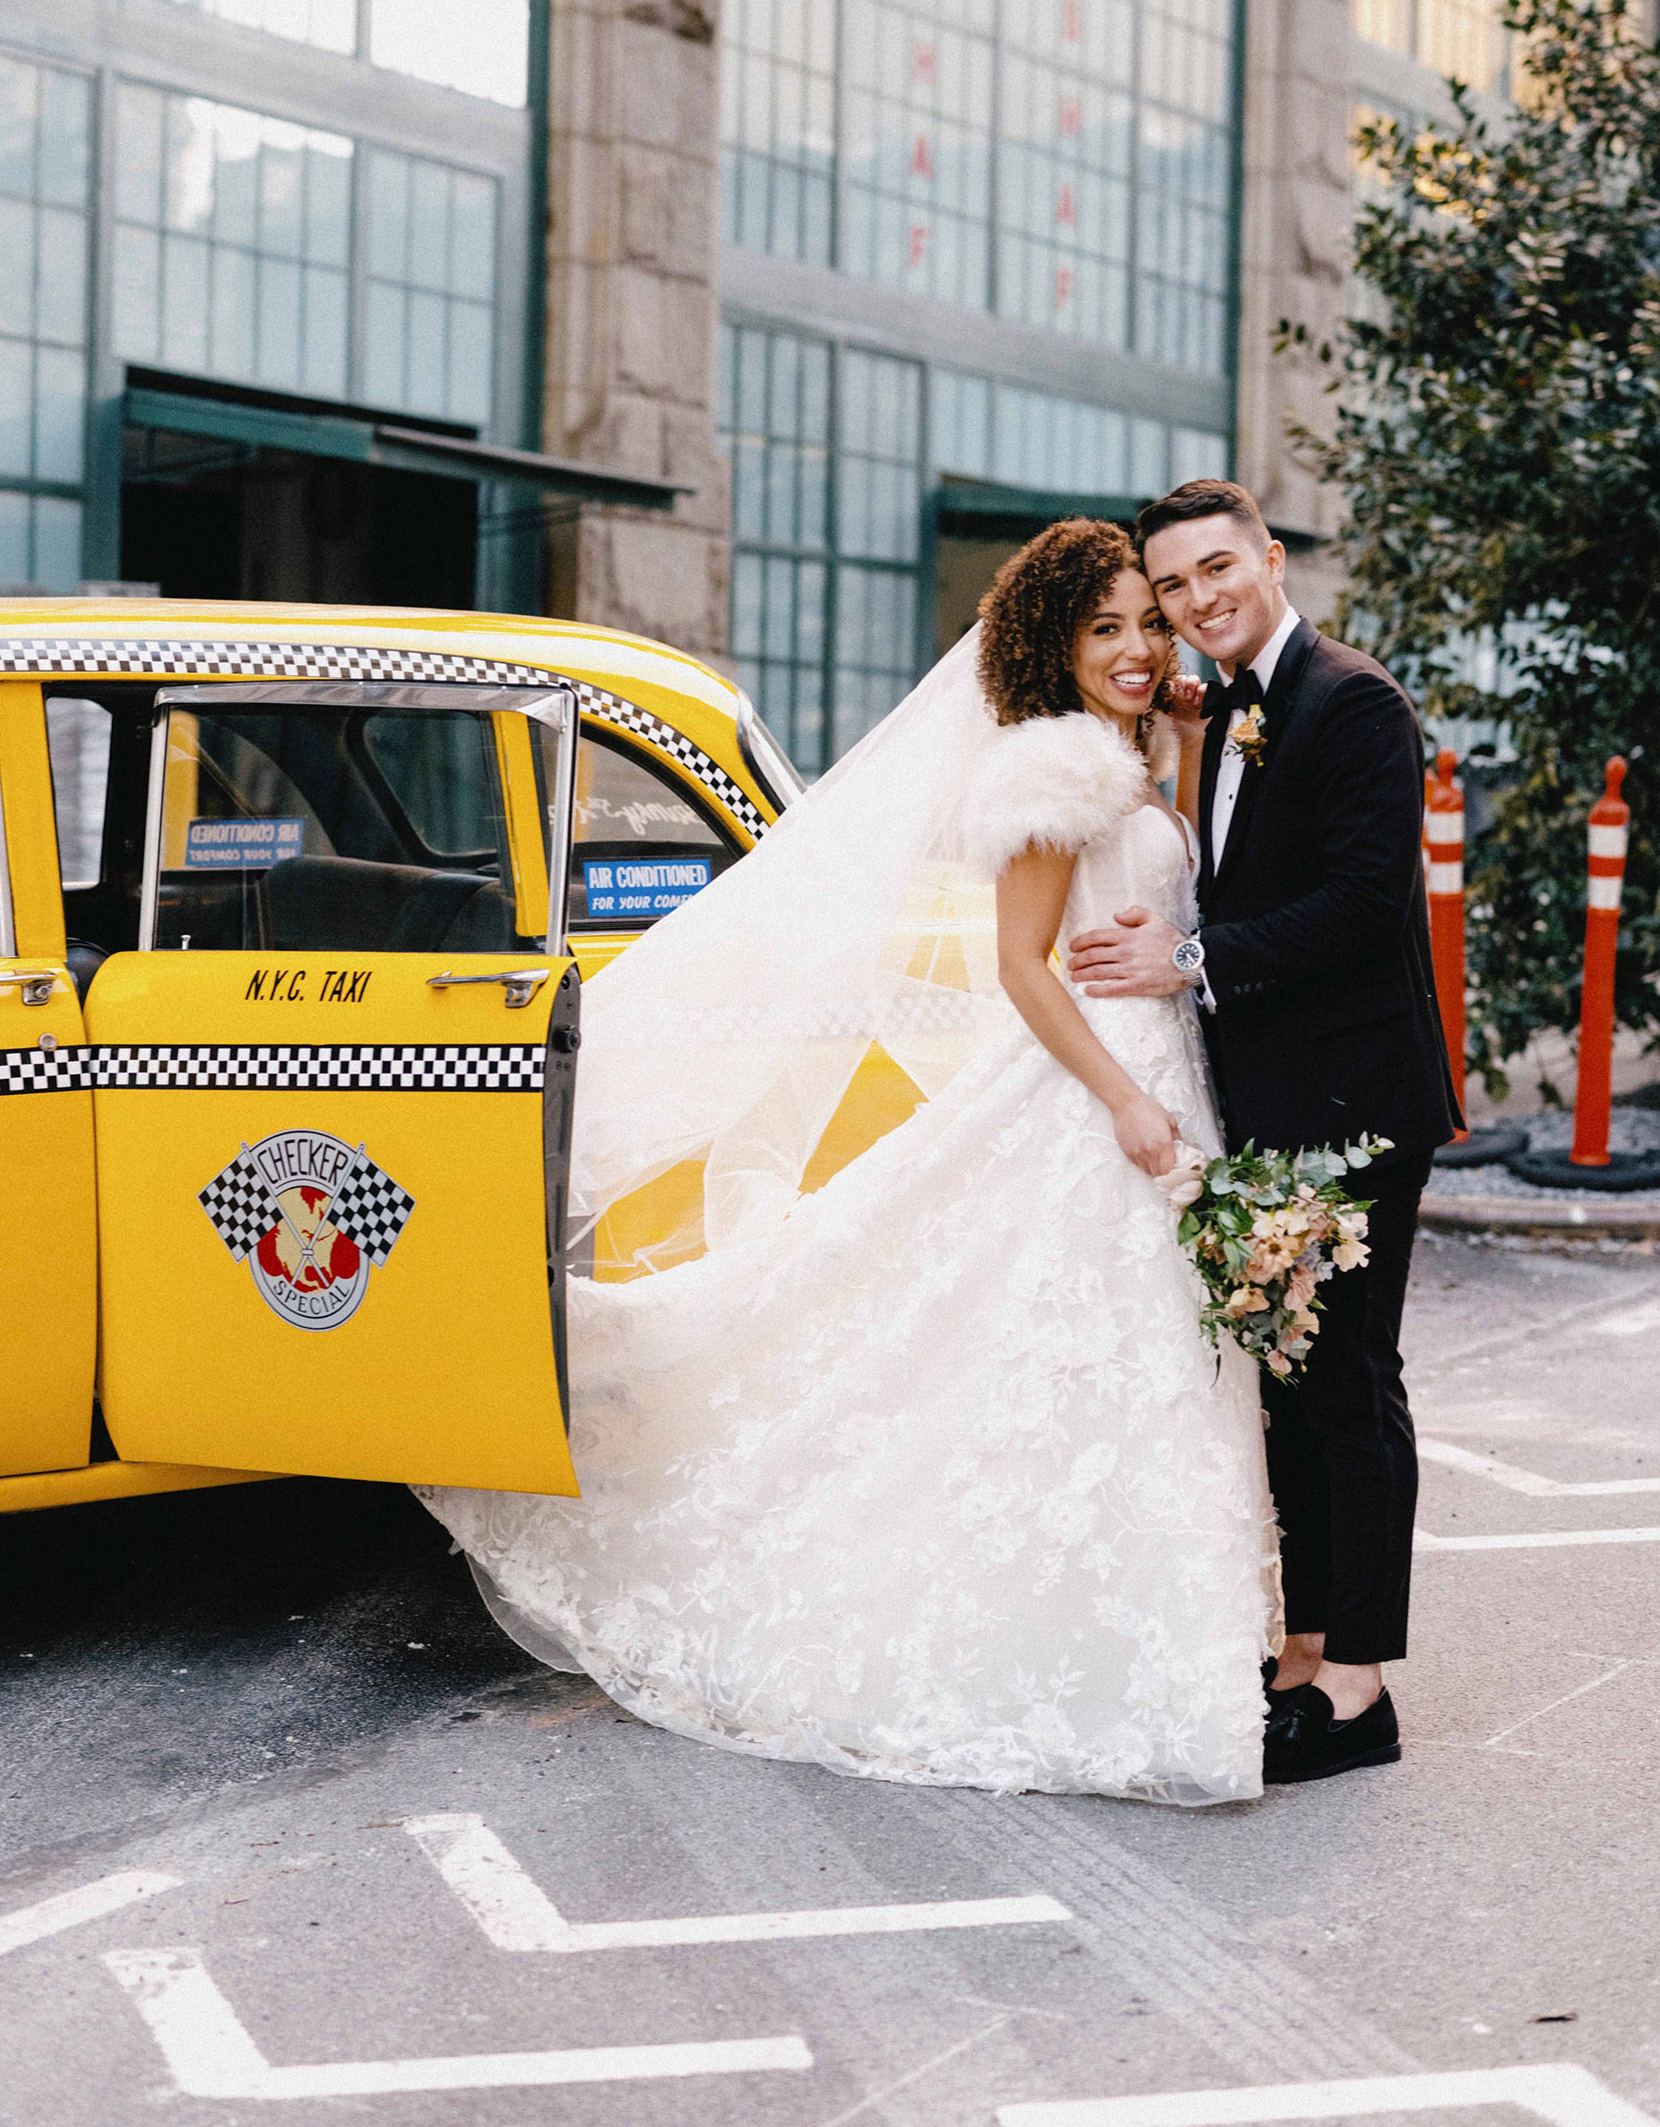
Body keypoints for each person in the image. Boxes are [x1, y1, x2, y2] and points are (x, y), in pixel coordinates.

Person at [418, 519, 1276, 1803]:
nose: (1139, 646)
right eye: (1106, 627)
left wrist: (1193, 744)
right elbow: (1020, 967)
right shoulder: (1051, 766)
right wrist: (1121, 1105)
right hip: (1103, 1095)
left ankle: (1166, 1632)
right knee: (1085, 1353)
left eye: (1148, 621)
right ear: (1054, 642)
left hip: (1161, 1074)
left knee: (1132, 1364)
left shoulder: (1133, 750)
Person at [1067, 480, 1461, 1786]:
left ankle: (1359, 1690)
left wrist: (1184, 957)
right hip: (1266, 1113)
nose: (1197, 600)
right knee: (1286, 1382)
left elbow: (1357, 905)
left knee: (1348, 1381)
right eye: (1174, 588)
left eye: (1215, 571)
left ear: (1268, 560)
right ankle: (1300, 1651)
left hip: (1352, 1108)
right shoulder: (1233, 706)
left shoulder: (1351, 702)